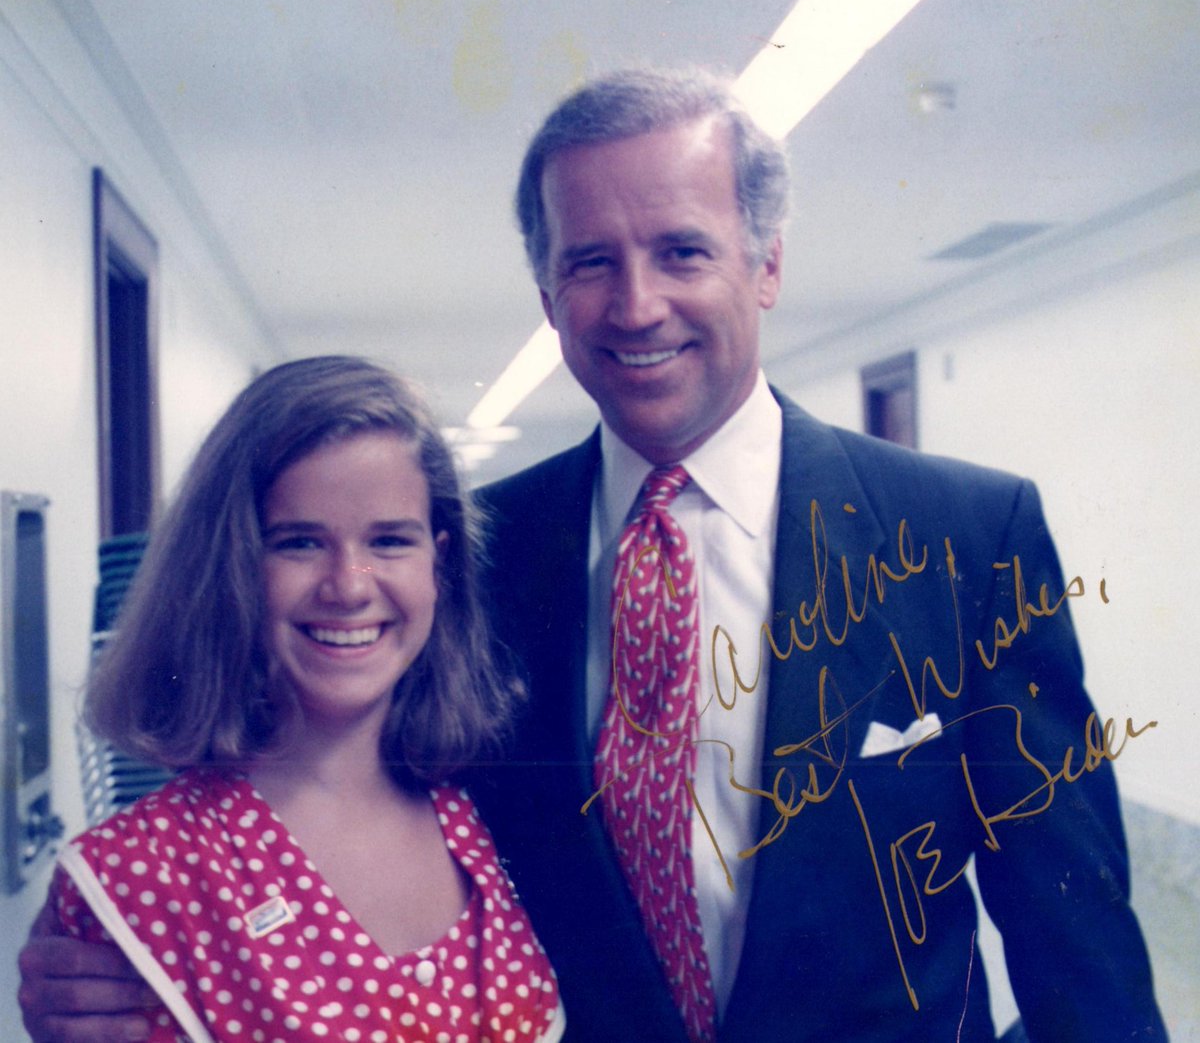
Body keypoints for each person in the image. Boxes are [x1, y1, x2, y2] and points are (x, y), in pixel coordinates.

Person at [19, 69, 1165, 1042]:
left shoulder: (966, 535)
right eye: (590, 263)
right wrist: (122, 940)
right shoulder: (476, 551)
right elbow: (323, 766)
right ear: (546, 289)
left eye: (681, 250)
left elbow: (1076, 925)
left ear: (765, 265)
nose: (636, 304)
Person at [27, 356, 563, 1043]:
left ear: (439, 563)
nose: (348, 584)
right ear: (232, 566)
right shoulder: (141, 874)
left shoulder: (492, 813)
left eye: (389, 539)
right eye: (300, 542)